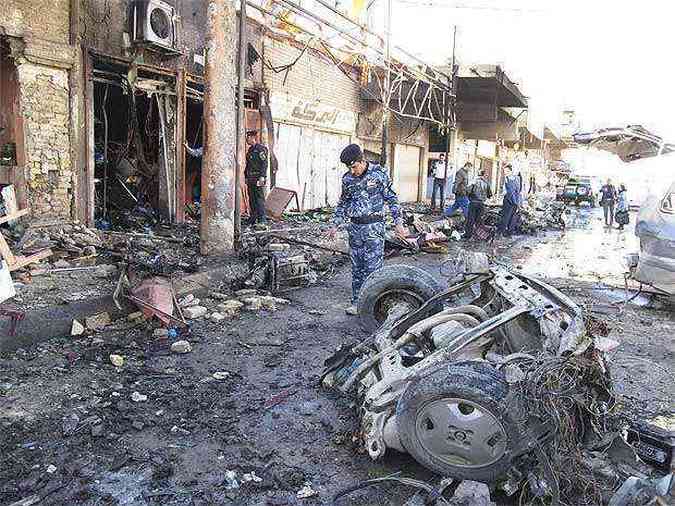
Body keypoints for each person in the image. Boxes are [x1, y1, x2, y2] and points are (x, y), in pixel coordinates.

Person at [328, 144, 406, 315]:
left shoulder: (379, 174)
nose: (352, 171)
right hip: (355, 227)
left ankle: (375, 305)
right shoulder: (347, 179)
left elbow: (392, 199)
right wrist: (335, 224)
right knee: (357, 268)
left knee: (373, 269)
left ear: (362, 161)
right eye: (349, 168)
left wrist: (398, 223)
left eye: (354, 167)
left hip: (374, 228)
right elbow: (343, 202)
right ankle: (357, 302)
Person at [245, 130, 269, 227]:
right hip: (251, 178)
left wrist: (262, 177)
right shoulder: (250, 150)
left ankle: (262, 219)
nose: (247, 140)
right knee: (252, 198)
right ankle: (253, 218)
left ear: (253, 138)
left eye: (248, 137)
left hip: (258, 177)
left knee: (259, 199)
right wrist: (246, 176)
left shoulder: (261, 149)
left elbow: (264, 163)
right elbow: (248, 165)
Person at [464, 170, 492, 240]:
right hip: (481, 204)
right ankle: (481, 235)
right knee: (479, 221)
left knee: (470, 220)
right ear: (483, 175)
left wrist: (469, 197)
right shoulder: (486, 183)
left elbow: (467, 190)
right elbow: (489, 195)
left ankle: (468, 235)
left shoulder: (473, 181)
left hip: (473, 202)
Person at [498, 164, 522, 237]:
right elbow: (519, 190)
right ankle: (509, 233)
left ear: (511, 171)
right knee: (512, 217)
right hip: (515, 200)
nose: (505, 172)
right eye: (504, 171)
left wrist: (501, 194)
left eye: (507, 171)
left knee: (505, 216)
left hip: (508, 199)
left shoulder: (506, 179)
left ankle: (502, 232)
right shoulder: (517, 178)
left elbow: (505, 191)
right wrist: (518, 202)